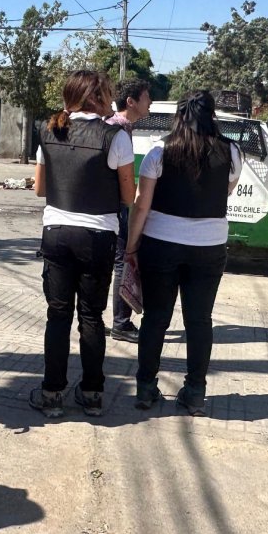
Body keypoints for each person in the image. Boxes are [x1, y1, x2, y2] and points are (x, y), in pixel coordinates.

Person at [127, 90, 241, 417]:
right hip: (209, 247)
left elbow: (142, 204)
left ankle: (146, 389)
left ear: (178, 115)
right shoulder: (232, 152)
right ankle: (195, 393)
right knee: (199, 321)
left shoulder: (159, 151)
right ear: (212, 115)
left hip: (160, 244)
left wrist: (132, 246)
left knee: (156, 319)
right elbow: (225, 191)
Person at [30, 70, 136, 418]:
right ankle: (91, 393)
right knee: (91, 316)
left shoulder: (48, 130)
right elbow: (127, 195)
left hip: (56, 232)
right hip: (98, 236)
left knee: (57, 315)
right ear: (98, 95)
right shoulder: (115, 137)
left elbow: (40, 189)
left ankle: (52, 393)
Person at [105, 78, 152, 343]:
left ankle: (110, 320)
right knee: (123, 261)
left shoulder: (117, 125)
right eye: (146, 97)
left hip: (109, 205)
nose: (150, 102)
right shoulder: (119, 127)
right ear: (131, 102)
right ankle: (121, 323)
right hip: (116, 206)